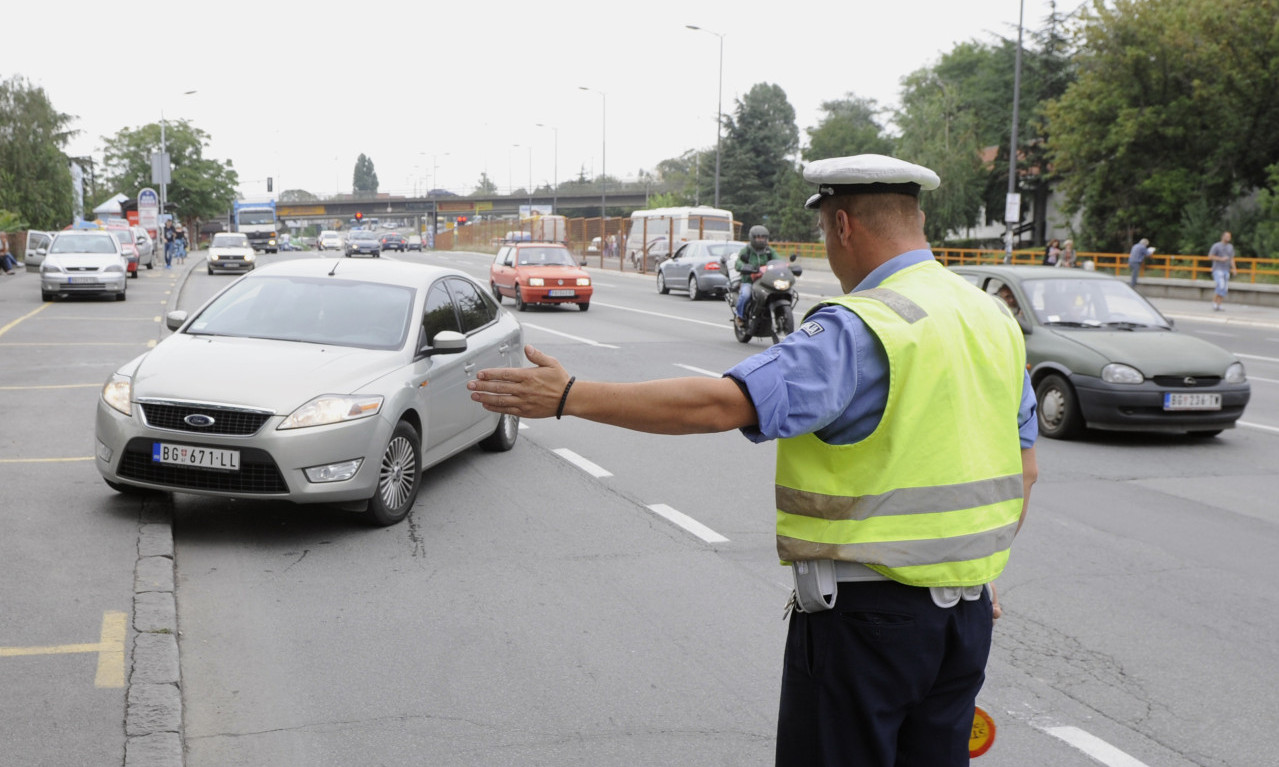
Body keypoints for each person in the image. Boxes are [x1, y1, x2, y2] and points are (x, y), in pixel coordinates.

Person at [469, 153, 1039, 767]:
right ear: (917, 219)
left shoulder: (865, 325)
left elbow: (723, 403)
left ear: (842, 226)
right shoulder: (991, 318)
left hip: (869, 627)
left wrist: (570, 397)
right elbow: (1025, 468)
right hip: (967, 617)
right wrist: (969, 569)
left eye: (825, 230)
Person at [734, 225, 779, 325]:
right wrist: (745, 267)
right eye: (758, 237)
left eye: (763, 237)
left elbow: (778, 260)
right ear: (752, 238)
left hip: (766, 281)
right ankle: (739, 316)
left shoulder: (769, 250)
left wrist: (785, 266)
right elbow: (738, 262)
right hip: (749, 281)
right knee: (745, 295)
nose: (761, 239)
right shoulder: (747, 250)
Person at [1208, 231, 1237, 311]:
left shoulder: (1230, 247)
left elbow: (1231, 259)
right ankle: (1214, 303)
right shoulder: (1216, 246)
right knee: (1220, 285)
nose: (1228, 238)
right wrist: (1221, 259)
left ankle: (1219, 304)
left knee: (1225, 288)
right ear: (1223, 237)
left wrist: (1234, 269)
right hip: (1218, 269)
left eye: (1229, 237)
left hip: (1226, 269)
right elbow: (1210, 256)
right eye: (1227, 236)